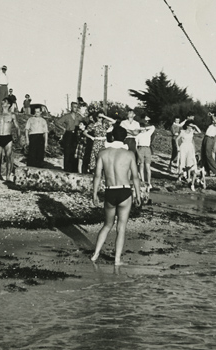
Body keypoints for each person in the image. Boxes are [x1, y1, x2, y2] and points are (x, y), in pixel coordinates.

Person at [91, 125, 142, 266]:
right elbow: (135, 178)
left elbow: (97, 176)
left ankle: (95, 254)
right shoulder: (129, 154)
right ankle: (117, 260)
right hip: (125, 191)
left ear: (112, 136)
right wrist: (138, 195)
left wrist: (94, 194)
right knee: (121, 227)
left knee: (107, 225)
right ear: (124, 138)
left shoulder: (103, 153)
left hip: (110, 190)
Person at [0, 97, 20, 180]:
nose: (3, 103)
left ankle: (8, 177)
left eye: (5, 102)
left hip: (7, 138)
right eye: (2, 102)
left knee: (8, 158)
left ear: (9, 104)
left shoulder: (12, 115)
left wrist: (18, 137)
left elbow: (17, 127)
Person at [58, 101, 83, 172]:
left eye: (76, 107)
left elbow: (85, 121)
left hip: (76, 135)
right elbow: (57, 122)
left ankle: (74, 169)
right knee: (67, 151)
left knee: (75, 152)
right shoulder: (67, 116)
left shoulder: (79, 116)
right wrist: (63, 128)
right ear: (71, 107)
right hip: (68, 134)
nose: (75, 108)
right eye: (74, 107)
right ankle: (67, 169)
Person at [136, 116, 156, 192]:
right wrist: (137, 153)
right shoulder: (138, 136)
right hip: (140, 149)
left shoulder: (148, 133)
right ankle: (143, 181)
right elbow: (136, 146)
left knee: (148, 167)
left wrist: (145, 128)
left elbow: (153, 127)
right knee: (141, 166)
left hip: (147, 149)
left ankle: (149, 182)